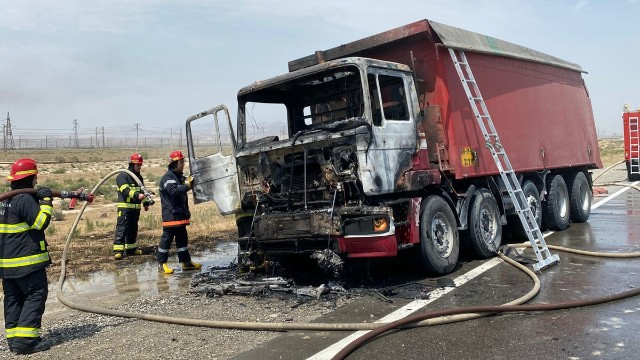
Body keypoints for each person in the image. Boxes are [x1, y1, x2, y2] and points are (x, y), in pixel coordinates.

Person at [0, 158, 52, 354]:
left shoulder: (5, 200)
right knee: (35, 295)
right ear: (31, 178)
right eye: (35, 178)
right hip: (27, 263)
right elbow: (40, 222)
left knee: (13, 298)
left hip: (7, 265)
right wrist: (46, 202)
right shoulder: (24, 199)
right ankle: (26, 341)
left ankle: (14, 340)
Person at [156, 150, 201, 274]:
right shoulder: (167, 177)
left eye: (183, 162)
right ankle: (161, 264)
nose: (183, 164)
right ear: (174, 164)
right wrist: (187, 185)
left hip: (180, 215)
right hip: (171, 215)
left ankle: (186, 262)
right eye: (181, 162)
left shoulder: (179, 176)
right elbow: (174, 191)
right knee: (167, 239)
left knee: (182, 239)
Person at [113, 153, 151, 260]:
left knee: (133, 229)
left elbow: (142, 191)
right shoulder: (122, 176)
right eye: (138, 165)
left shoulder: (138, 178)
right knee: (122, 228)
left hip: (135, 209)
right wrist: (137, 195)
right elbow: (125, 191)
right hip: (125, 208)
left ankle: (131, 248)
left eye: (140, 165)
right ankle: (118, 250)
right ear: (131, 165)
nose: (139, 167)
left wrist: (145, 203)